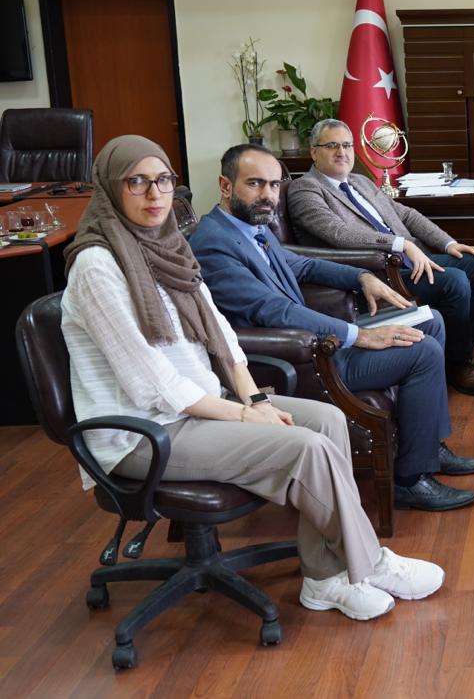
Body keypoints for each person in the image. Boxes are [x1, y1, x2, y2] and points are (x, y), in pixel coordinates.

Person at [60, 135, 444, 621]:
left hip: (200, 405)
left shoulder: (165, 248)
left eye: (163, 180)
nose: (154, 194)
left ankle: (324, 578)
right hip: (142, 432)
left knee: (326, 421)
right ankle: (368, 563)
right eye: (137, 182)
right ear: (110, 188)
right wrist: (244, 415)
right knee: (305, 447)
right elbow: (152, 385)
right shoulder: (97, 266)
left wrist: (255, 400)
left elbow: (224, 339)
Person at [190, 144, 474, 514]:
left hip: (316, 341)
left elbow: (302, 266)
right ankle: (411, 481)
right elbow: (273, 310)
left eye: (274, 185)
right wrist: (360, 335)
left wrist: (361, 277)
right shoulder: (214, 245)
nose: (267, 195)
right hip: (297, 358)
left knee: (429, 319)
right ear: (225, 185)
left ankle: (426, 448)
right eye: (255, 184)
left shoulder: (250, 227)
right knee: (422, 352)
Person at [287, 119, 474, 396]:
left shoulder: (360, 181)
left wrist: (448, 243)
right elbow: (338, 234)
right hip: (376, 272)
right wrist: (400, 244)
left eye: (347, 145)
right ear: (314, 152)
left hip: (410, 259)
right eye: (332, 146)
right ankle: (458, 365)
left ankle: (461, 350)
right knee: (454, 281)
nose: (341, 152)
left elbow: (406, 215)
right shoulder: (305, 189)